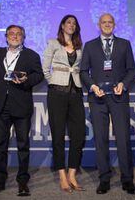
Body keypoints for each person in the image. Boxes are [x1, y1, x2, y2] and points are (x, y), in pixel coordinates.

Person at [80, 13, 135, 195]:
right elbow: (83, 72)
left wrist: (123, 84)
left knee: (123, 140)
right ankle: (104, 179)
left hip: (119, 98)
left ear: (114, 24)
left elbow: (132, 70)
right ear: (99, 25)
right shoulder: (89, 45)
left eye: (110, 22)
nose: (107, 25)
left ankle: (128, 180)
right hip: (97, 99)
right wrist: (92, 86)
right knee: (100, 140)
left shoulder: (124, 44)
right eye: (104, 22)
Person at [0, 25, 44, 196]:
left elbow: (39, 75)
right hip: (1, 104)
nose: (14, 36)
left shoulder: (32, 55)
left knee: (23, 145)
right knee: (1, 145)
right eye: (11, 34)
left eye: (18, 34)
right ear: (6, 37)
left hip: (21, 105)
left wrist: (27, 79)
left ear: (23, 37)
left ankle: (22, 181)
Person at [42, 15, 86, 193]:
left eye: (74, 23)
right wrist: (53, 81)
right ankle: (62, 175)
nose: (72, 25)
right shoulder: (53, 43)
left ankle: (72, 174)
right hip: (57, 94)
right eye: (68, 22)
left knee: (78, 135)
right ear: (62, 25)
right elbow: (45, 67)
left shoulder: (80, 47)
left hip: (76, 93)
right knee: (58, 134)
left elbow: (82, 69)